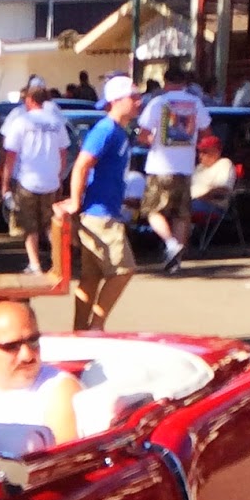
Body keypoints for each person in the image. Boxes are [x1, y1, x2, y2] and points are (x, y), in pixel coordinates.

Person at [59, 73, 141, 331]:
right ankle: (96, 328)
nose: (139, 101)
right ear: (117, 100)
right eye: (133, 97)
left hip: (105, 210)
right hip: (100, 214)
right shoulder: (105, 130)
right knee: (123, 270)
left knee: (91, 277)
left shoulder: (119, 132)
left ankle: (81, 330)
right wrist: (75, 201)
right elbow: (82, 165)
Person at [0, 297, 81, 456]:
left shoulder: (59, 390)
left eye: (33, 341)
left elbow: (63, 462)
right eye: (11, 346)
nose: (27, 355)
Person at [136, 66, 211, 273]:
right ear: (185, 82)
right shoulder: (196, 103)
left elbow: (142, 135)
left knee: (152, 210)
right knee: (181, 214)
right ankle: (176, 261)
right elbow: (207, 133)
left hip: (159, 166)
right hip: (185, 167)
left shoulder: (158, 102)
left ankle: (170, 243)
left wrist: (153, 141)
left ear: (165, 82)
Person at [0, 78, 71, 275]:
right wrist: (59, 176)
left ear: (30, 100)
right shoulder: (56, 122)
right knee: (50, 224)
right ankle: (58, 263)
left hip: (27, 181)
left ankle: (35, 264)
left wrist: (5, 183)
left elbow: (11, 155)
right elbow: (63, 152)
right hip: (51, 181)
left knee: (29, 225)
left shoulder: (22, 121)